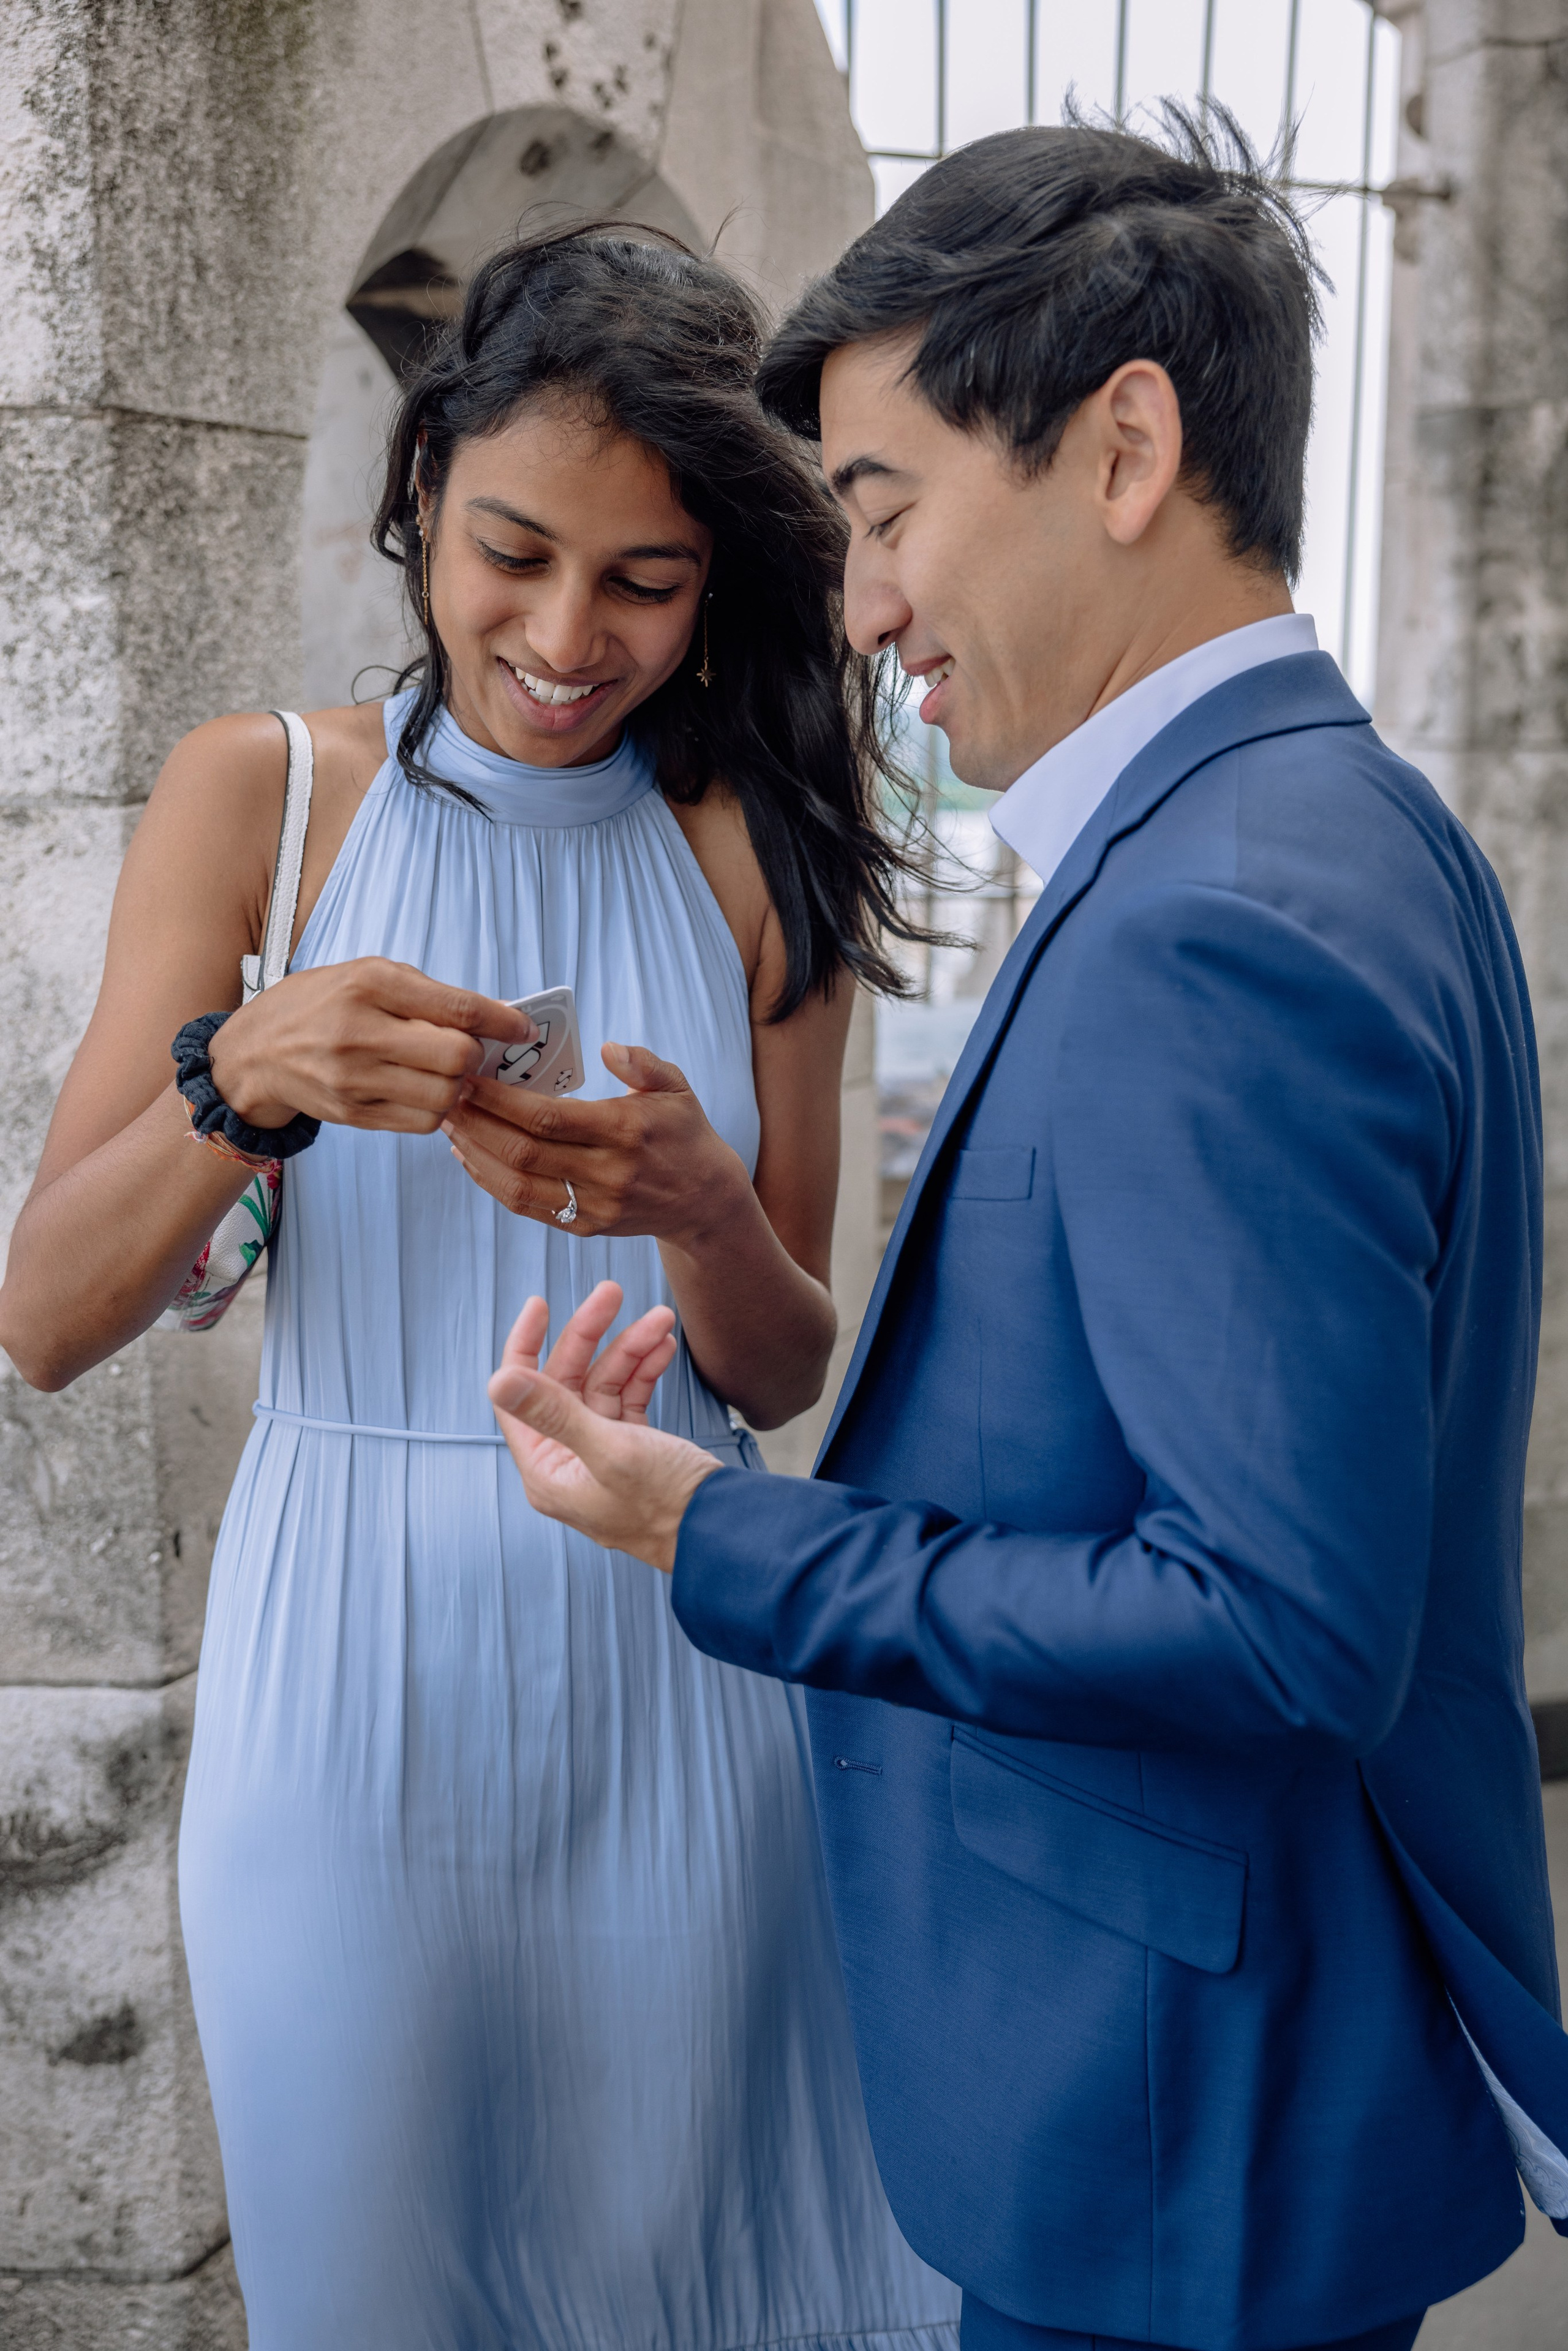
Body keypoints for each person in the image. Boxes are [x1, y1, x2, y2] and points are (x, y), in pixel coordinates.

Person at [485, 118, 1568, 2351]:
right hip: (1236, 2074)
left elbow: (1276, 1623)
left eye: (886, 512)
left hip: (1172, 2122)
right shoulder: (1351, 823)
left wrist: (716, 1530)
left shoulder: (1209, 916)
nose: (864, 606)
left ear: (1126, 447)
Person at [0, 228, 962, 2351]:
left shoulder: (760, 842)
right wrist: (246, 1074)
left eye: (646, 582)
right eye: (514, 552)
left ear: (716, 587)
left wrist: (704, 1210)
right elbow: (47, 1315)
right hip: (340, 1695)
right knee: (368, 2292)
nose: (564, 636)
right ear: (425, 490)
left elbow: (781, 1370)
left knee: (700, 2293)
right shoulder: (262, 797)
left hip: (676, 1682)